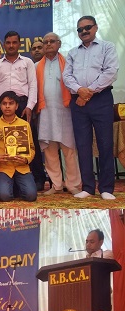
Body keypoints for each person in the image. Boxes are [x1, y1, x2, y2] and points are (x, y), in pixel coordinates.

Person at [63, 15, 119, 200]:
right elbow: (67, 76)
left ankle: (106, 188)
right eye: (80, 29)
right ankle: (87, 187)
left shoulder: (107, 47)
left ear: (95, 28)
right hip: (78, 102)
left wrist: (88, 93)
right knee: (83, 144)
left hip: (101, 99)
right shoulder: (72, 52)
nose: (84, 31)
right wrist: (80, 91)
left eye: (88, 27)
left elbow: (111, 72)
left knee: (105, 143)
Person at [0, 31, 45, 191]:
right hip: (3, 105)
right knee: (3, 144)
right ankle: (8, 181)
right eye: (8, 43)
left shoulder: (27, 62)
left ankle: (38, 179)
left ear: (19, 44)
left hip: (23, 105)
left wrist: (29, 106)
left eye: (14, 42)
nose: (11, 45)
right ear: (4, 45)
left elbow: (33, 85)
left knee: (29, 142)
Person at [36, 32, 82, 196]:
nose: (48, 44)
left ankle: (73, 184)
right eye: (45, 42)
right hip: (45, 113)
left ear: (59, 44)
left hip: (65, 112)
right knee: (49, 150)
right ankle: (56, 185)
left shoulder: (68, 63)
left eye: (52, 41)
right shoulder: (37, 66)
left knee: (69, 149)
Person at [0, 91, 37, 202]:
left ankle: (16, 186)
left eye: (11, 103)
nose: (7, 106)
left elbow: (32, 148)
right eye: (4, 103)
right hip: (4, 167)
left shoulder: (24, 124)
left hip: (22, 167)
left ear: (16, 106)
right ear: (0, 106)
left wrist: (26, 159)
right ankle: (13, 187)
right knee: (4, 196)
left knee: (31, 196)